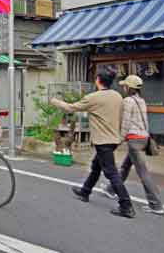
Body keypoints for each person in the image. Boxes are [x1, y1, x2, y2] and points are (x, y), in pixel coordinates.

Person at [50, 70, 135, 218]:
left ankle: (126, 205)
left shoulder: (94, 97)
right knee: (96, 166)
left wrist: (55, 101)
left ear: (98, 80)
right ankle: (85, 191)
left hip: (102, 141)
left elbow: (71, 108)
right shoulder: (117, 96)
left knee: (111, 173)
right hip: (113, 139)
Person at [101, 75, 164, 216]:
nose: (123, 87)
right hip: (143, 138)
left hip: (134, 140)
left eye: (124, 86)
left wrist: (120, 139)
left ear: (128, 88)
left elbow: (126, 122)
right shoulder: (141, 101)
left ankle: (156, 205)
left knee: (143, 173)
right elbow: (145, 121)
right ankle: (111, 189)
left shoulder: (128, 101)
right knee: (125, 166)